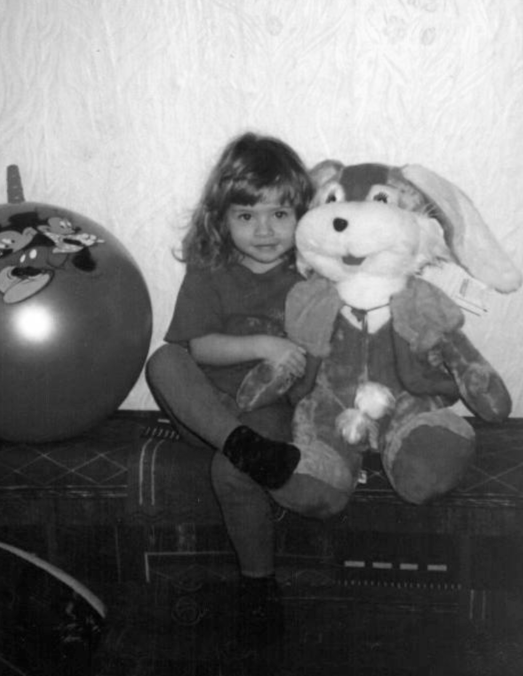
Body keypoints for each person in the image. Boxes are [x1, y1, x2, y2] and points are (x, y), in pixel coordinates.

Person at [146, 131, 315, 649]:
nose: (263, 230)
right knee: (164, 359)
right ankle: (238, 444)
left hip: (264, 414)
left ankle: (259, 587)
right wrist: (264, 344)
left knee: (233, 471)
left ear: (302, 216)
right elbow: (196, 347)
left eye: (279, 214)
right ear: (222, 219)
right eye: (246, 215)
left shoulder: (311, 280)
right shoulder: (210, 269)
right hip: (205, 412)